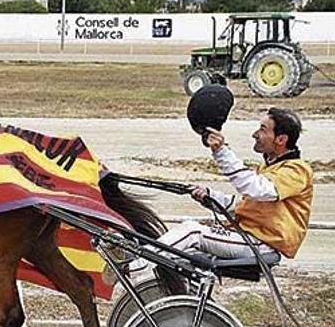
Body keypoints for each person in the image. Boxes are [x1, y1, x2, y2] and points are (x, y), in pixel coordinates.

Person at [125, 107, 314, 286]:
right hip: (248, 238)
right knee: (180, 255)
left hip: (260, 244)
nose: (255, 134)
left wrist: (221, 152)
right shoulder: (270, 168)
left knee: (192, 232)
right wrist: (209, 196)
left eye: (263, 129)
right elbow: (243, 204)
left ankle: (134, 267)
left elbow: (257, 190)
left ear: (281, 139)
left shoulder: (297, 170)